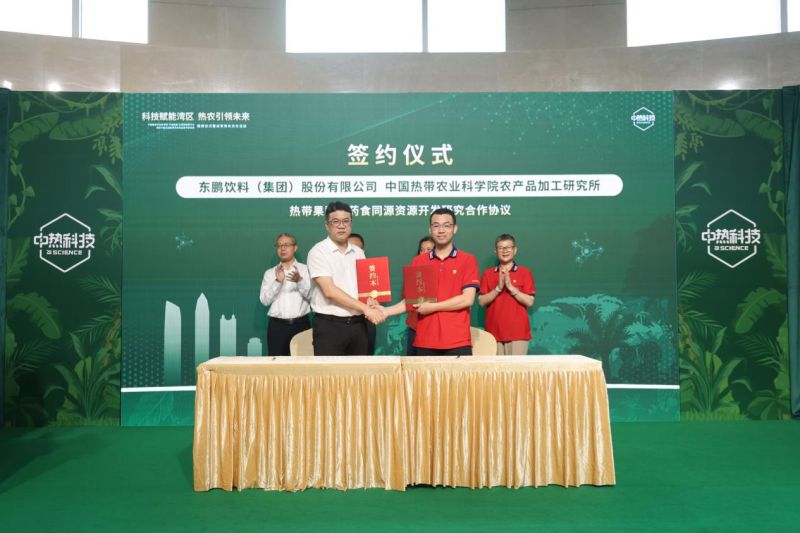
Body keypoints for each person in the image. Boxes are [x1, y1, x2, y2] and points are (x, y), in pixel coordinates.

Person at [387, 208, 478, 355]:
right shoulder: (419, 261)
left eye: (446, 225)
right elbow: (412, 301)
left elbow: (467, 299)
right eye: (436, 226)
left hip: (457, 341)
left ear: (454, 228)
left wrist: (433, 307)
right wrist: (384, 311)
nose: (441, 230)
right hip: (425, 340)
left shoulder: (467, 260)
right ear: (430, 229)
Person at [307, 202, 385, 355]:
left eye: (346, 221)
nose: (341, 226)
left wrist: (370, 302)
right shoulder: (318, 252)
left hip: (359, 325)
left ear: (351, 224)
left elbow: (364, 289)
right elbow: (330, 291)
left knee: (359, 370)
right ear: (327, 225)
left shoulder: (358, 252)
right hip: (330, 327)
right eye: (335, 221)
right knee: (330, 371)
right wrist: (365, 308)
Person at [478, 234, 535, 355]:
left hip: (518, 334)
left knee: (516, 367)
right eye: (501, 248)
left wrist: (511, 288)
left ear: (515, 250)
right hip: (493, 333)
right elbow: (481, 301)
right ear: (495, 251)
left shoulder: (525, 272)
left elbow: (529, 301)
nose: (505, 251)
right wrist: (498, 289)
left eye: (508, 247)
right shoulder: (488, 274)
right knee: (495, 367)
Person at [259, 233, 312, 356]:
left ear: (295, 247)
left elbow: (313, 297)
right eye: (279, 245)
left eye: (286, 245)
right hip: (277, 326)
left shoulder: (305, 270)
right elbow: (264, 301)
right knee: (277, 363)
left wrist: (300, 281)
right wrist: (277, 282)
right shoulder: (270, 273)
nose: (282, 248)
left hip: (301, 324)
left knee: (303, 363)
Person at [347, 232, 376, 355]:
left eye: (357, 248)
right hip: (340, 323)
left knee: (365, 359)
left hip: (366, 319)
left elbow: (377, 294)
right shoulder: (337, 270)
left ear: (363, 250)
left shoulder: (372, 271)